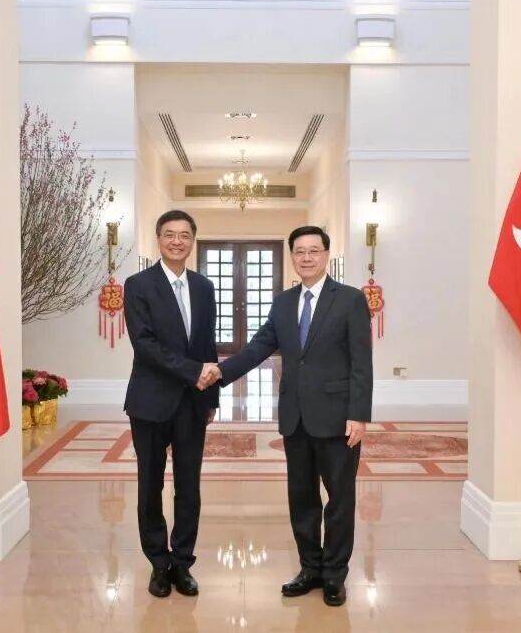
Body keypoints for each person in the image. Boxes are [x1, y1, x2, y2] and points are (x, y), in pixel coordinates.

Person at [198, 225, 372, 606]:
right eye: (299, 252)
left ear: (326, 255)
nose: (306, 257)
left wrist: (359, 414)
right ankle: (310, 567)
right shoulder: (283, 302)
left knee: (340, 500)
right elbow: (259, 347)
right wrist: (220, 372)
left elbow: (362, 362)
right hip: (295, 417)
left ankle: (334, 575)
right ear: (292, 257)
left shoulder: (349, 300)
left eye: (313, 251)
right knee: (302, 498)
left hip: (338, 418)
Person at [123, 210, 219, 598]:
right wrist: (193, 371)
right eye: (169, 234)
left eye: (184, 235)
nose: (177, 241)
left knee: (188, 486)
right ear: (158, 239)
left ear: (192, 240)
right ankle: (158, 564)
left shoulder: (204, 287)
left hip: (193, 403)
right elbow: (144, 344)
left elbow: (207, 343)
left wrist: (210, 396)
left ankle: (181, 562)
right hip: (150, 400)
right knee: (150, 484)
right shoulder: (138, 285)